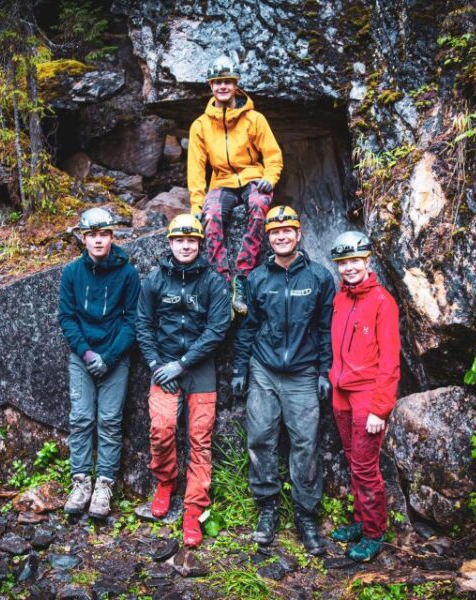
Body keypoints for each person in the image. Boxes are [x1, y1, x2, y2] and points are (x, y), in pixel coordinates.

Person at [232, 205, 335, 555]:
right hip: (264, 369)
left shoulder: (320, 278)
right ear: (268, 238)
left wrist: (324, 371)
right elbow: (248, 327)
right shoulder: (258, 278)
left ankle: (306, 514)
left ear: (298, 234)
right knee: (260, 437)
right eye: (275, 232)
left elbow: (325, 330)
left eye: (287, 230)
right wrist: (239, 369)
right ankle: (267, 508)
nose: (281, 236)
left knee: (305, 442)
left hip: (303, 372)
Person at [135, 214, 231, 547]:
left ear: (200, 244)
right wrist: (155, 364)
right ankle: (165, 482)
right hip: (162, 367)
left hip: (200, 370)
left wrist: (183, 364)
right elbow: (143, 325)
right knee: (161, 429)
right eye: (179, 240)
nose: (186, 245)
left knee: (199, 440)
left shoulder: (214, 282)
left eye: (192, 240)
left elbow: (218, 329)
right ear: (170, 243)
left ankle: (193, 510)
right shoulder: (154, 280)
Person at [57, 207, 140, 518]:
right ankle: (80, 482)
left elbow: (132, 320)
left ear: (111, 237)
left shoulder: (128, 274)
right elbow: (66, 317)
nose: (98, 240)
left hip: (115, 357)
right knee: (80, 419)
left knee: (109, 421)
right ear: (83, 238)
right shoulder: (71, 274)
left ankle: (104, 485)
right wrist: (88, 354)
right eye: (92, 235)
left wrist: (109, 356)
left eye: (103, 234)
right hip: (83, 357)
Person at [188, 54, 284, 316]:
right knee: (212, 215)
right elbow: (196, 167)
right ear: (210, 86)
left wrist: (269, 178)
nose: (222, 87)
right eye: (217, 82)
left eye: (227, 82)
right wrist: (197, 203)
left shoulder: (255, 119)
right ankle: (222, 281)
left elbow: (273, 155)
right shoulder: (200, 125)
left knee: (258, 204)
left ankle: (242, 275)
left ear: (236, 84)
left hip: (252, 176)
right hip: (221, 181)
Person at [327, 231, 400, 562]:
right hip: (341, 392)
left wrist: (379, 410)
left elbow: (390, 361)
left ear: (367, 261)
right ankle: (359, 520)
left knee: (366, 466)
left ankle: (374, 532)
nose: (349, 268)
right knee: (352, 459)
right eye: (343, 263)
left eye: (355, 261)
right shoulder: (341, 299)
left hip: (368, 396)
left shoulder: (382, 301)